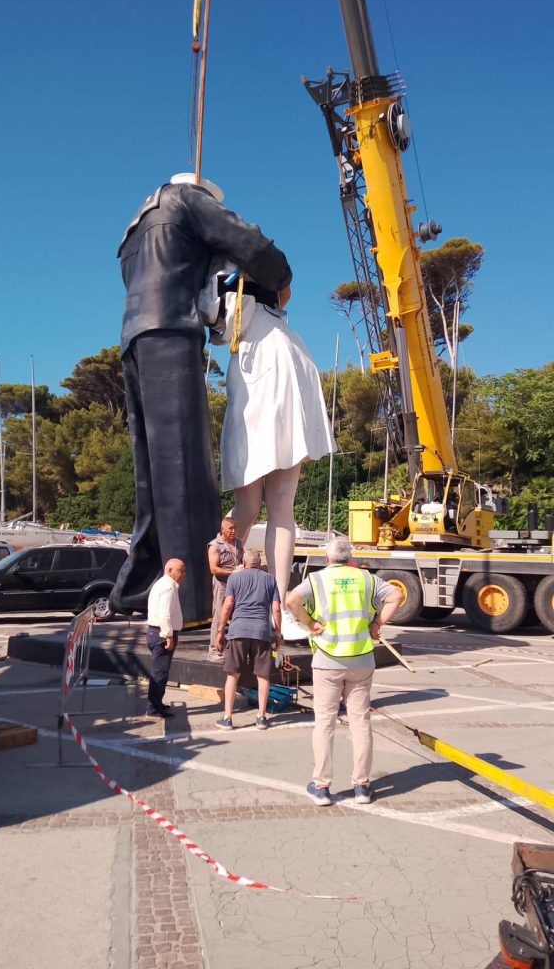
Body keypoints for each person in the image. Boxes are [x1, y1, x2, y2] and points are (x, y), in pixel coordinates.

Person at [109, 173, 292, 626]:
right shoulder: (185, 200)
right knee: (185, 469)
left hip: (135, 336)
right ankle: (190, 604)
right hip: (171, 332)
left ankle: (142, 587)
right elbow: (246, 241)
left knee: (152, 476)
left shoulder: (134, 229)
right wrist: (280, 276)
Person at [208, 266, 335, 639]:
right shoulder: (287, 331)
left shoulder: (238, 303)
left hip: (261, 392)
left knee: (251, 507)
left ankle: (232, 593)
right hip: (286, 388)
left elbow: (215, 323)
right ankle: (279, 603)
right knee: (280, 509)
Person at [286, 537, 403, 806]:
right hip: (361, 658)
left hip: (328, 658)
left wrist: (310, 623)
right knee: (360, 723)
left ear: (327, 559)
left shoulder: (317, 580)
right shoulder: (365, 578)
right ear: (349, 557)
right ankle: (362, 785)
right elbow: (396, 596)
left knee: (324, 723)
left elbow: (292, 600)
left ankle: (322, 786)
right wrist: (377, 624)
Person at [214, 549, 281, 730]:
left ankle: (227, 717)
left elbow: (228, 605)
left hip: (238, 631)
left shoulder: (235, 579)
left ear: (243, 561)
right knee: (263, 676)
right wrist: (278, 633)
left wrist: (220, 630)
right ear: (259, 563)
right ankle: (261, 717)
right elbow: (275, 608)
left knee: (232, 675)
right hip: (261, 632)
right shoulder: (270, 579)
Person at [145, 558, 186, 718]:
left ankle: (156, 703)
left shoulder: (164, 584)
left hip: (157, 633)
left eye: (184, 571)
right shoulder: (168, 587)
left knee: (160, 672)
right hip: (161, 634)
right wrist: (169, 635)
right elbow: (165, 614)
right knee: (160, 673)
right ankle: (153, 708)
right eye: (180, 570)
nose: (183, 574)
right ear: (169, 570)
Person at [207, 516, 244, 661]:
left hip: (238, 585)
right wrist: (233, 572)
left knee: (238, 616)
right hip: (222, 584)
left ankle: (232, 649)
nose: (234, 531)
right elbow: (214, 569)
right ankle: (214, 650)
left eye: (235, 528)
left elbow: (244, 558)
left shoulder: (239, 543)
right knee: (219, 616)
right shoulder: (215, 545)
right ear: (223, 530)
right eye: (231, 529)